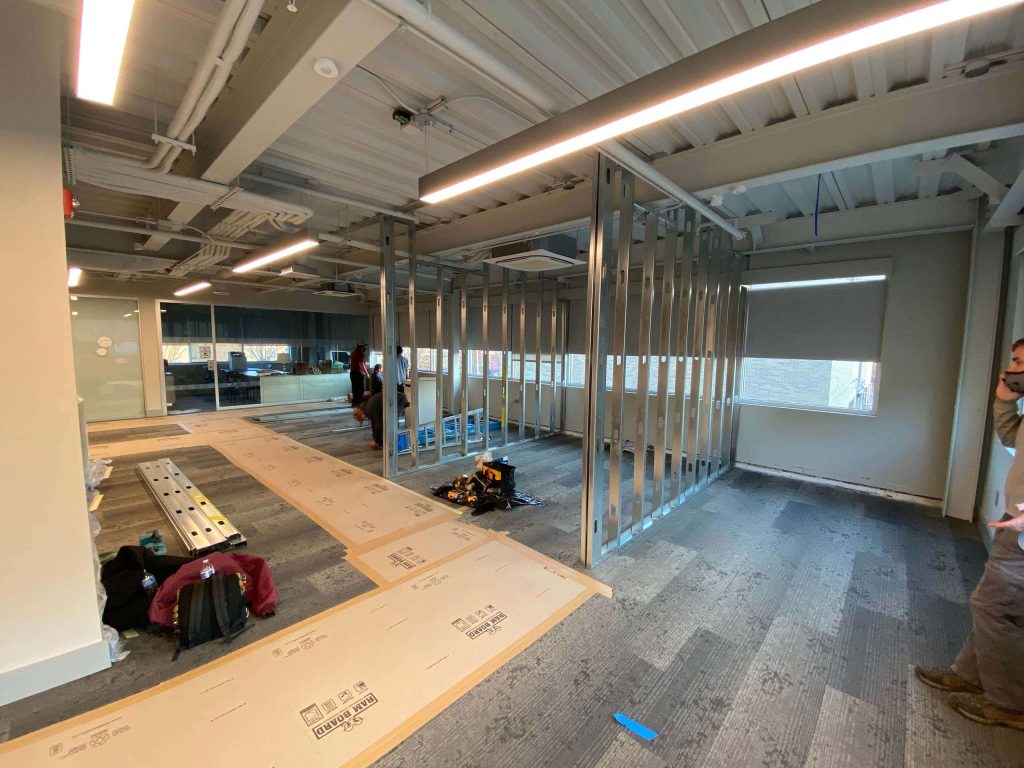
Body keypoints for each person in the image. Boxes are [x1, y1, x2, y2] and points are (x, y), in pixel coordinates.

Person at [915, 338, 1024, 730]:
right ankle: (971, 674)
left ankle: (1010, 702)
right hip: (1015, 521)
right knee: (999, 608)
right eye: (1014, 361)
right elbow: (1011, 437)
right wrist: (1004, 400)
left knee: (991, 606)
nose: (1014, 370)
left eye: (1021, 363)